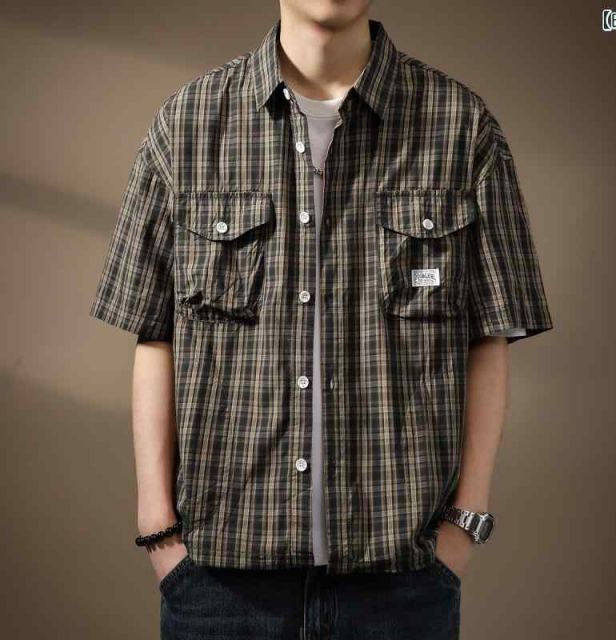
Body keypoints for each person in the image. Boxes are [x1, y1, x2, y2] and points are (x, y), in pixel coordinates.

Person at [89, 1, 553, 638]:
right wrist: (158, 528)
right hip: (218, 583)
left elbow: (490, 335)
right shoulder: (188, 124)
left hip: (403, 583)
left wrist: (463, 526)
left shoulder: (460, 126)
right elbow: (155, 331)